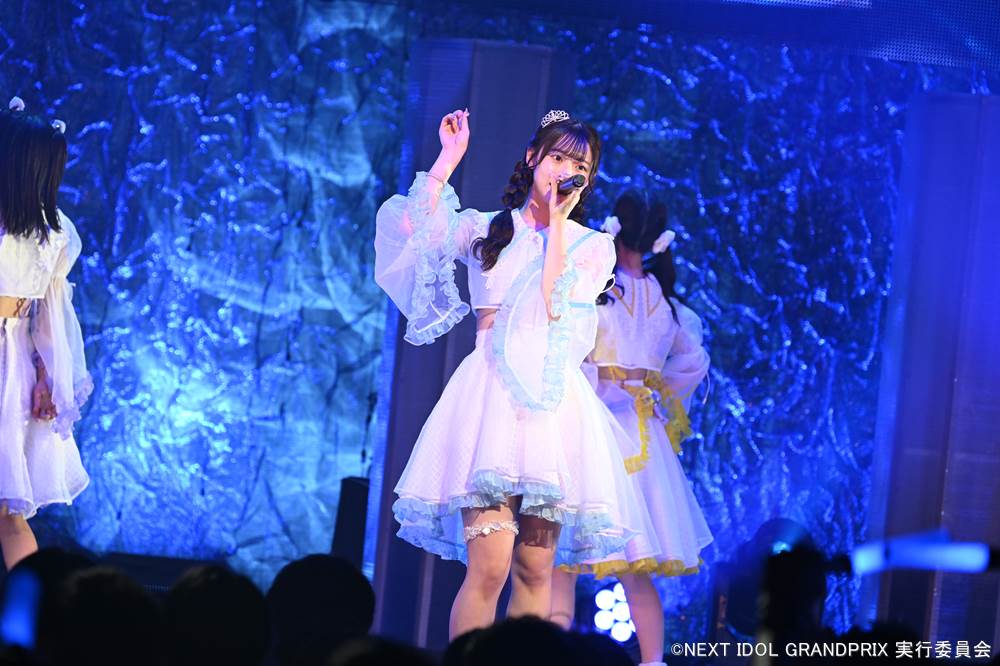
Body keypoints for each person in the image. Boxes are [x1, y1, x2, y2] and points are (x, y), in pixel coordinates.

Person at [374, 108, 646, 638]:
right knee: (490, 567)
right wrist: (448, 158)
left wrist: (559, 224)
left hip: (554, 408)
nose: (567, 171)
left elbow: (554, 308)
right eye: (559, 157)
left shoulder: (593, 248)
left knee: (535, 569)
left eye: (581, 165)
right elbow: (414, 228)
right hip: (490, 400)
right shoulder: (486, 229)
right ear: (532, 157)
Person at [549, 190, 713, 666]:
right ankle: (652, 660)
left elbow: (575, 354)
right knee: (632, 567)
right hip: (643, 430)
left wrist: (596, 385)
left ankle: (546, 651)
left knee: (565, 558)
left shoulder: (599, 291)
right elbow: (694, 361)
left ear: (613, 233)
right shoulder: (668, 303)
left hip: (596, 423)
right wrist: (657, 391)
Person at [0, 96, 91, 570]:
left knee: (8, 512)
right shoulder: (53, 230)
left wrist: (46, 379)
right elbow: (49, 320)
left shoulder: (51, 233)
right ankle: (28, 605)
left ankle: (27, 604)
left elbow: (50, 315)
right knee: (8, 514)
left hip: (12, 362)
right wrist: (44, 374)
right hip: (13, 359)